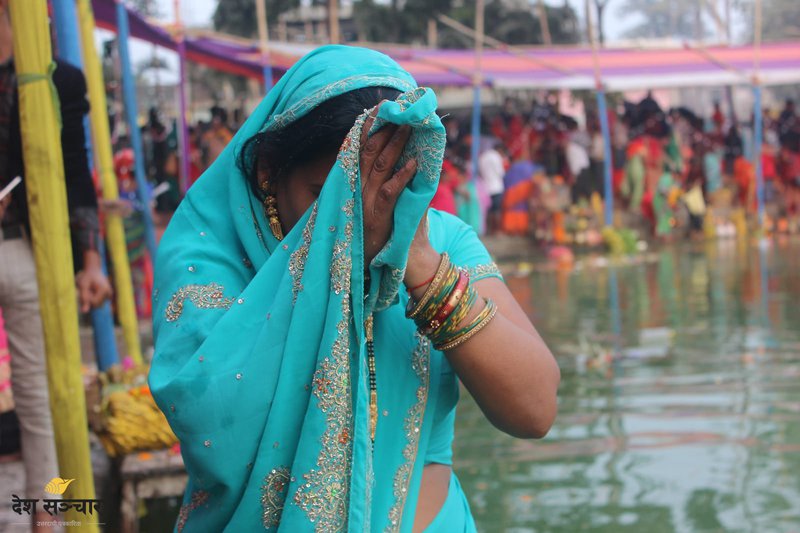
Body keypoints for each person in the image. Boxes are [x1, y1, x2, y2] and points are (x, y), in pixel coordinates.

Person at [149, 46, 559, 532]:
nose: (362, 221)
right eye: (333, 197)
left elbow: (535, 410)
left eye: (389, 189)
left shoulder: (441, 242)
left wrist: (421, 266)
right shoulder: (211, 260)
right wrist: (317, 282)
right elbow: (212, 424)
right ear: (268, 172)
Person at [0, 3, 112, 531]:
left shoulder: (58, 80)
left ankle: (46, 511)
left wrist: (90, 261)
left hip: (27, 248)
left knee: (43, 397)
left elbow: (75, 173)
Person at [478, 141, 506, 234]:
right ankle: (497, 231)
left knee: (488, 210)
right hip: (496, 186)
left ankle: (488, 230)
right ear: (500, 150)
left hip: (485, 187)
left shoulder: (482, 156)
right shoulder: (496, 156)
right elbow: (501, 173)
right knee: (497, 210)